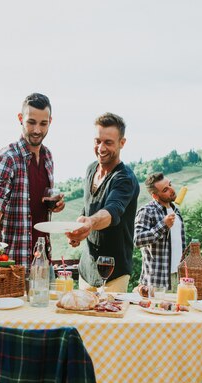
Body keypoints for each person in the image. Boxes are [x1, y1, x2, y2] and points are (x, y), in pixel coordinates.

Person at [0, 93, 65, 268]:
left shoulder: (48, 156)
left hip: (42, 260)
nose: (37, 130)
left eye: (43, 123)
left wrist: (54, 206)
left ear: (50, 121)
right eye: (31, 122)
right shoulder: (8, 158)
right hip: (12, 262)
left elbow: (35, 202)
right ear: (20, 118)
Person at [66, 112, 140, 293]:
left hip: (114, 273)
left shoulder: (125, 179)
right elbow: (87, 208)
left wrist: (90, 223)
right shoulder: (91, 169)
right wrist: (79, 229)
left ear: (122, 143)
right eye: (97, 141)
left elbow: (111, 212)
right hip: (86, 268)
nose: (101, 148)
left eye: (108, 142)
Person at [134, 172, 187, 292]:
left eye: (170, 185)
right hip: (157, 281)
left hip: (178, 278)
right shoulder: (147, 211)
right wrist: (163, 225)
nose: (172, 190)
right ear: (155, 196)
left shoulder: (175, 210)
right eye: (165, 190)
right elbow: (137, 240)